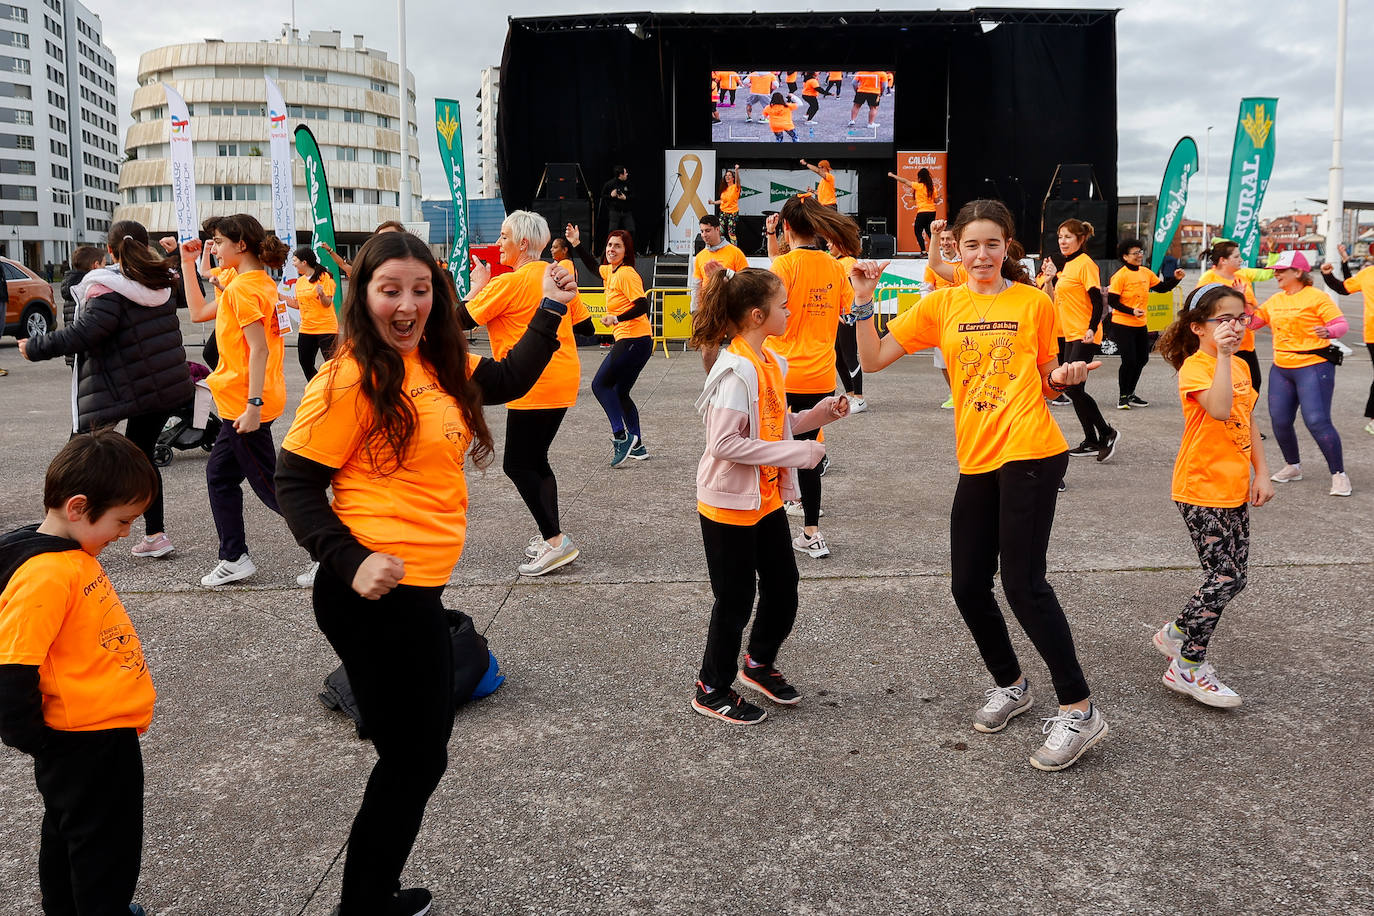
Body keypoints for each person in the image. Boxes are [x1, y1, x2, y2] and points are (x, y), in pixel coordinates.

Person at [276, 230, 572, 916]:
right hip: (373, 595)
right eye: (390, 291)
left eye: (421, 290)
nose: (406, 305)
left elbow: (511, 379)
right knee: (415, 759)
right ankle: (362, 902)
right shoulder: (350, 377)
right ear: (364, 296)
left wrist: (552, 309)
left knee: (416, 753)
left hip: (414, 592)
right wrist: (349, 560)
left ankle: (370, 893)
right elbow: (294, 481)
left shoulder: (438, 366)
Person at [856, 198, 1108, 772]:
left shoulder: (1033, 302)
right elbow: (871, 360)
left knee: (1023, 583)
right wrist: (864, 298)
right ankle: (1012, 685)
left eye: (993, 244)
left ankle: (1080, 709)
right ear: (956, 250)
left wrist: (1063, 379)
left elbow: (1046, 380)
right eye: (971, 245)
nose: (982, 254)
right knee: (968, 584)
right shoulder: (941, 305)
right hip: (977, 455)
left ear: (1007, 247)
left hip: (1032, 451)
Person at [0, 431, 160, 916]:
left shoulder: (68, 554)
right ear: (77, 507)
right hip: (83, 739)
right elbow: (12, 668)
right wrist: (41, 740)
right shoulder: (46, 573)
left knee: (71, 834)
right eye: (122, 521)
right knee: (105, 850)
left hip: (94, 733)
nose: (126, 533)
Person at [688, 265, 849, 725]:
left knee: (783, 588)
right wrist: (796, 453)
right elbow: (722, 443)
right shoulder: (736, 371)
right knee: (734, 600)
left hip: (764, 500)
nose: (790, 311)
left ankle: (757, 664)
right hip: (727, 505)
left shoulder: (770, 362)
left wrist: (819, 415)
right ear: (758, 316)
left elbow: (774, 426)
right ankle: (710, 686)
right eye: (783, 306)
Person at [20, 220, 194, 561]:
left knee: (77, 460)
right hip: (161, 385)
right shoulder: (162, 280)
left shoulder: (107, 287)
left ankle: (55, 535)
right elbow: (188, 296)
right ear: (146, 247)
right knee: (142, 457)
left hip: (115, 388)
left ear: (110, 251)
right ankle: (156, 535)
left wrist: (36, 347)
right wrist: (177, 259)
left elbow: (85, 333)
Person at [1152, 284, 1272, 708]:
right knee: (1224, 577)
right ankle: (1186, 665)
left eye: (1240, 318)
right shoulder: (1197, 368)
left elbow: (1247, 418)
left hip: (1234, 485)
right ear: (1198, 327)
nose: (1235, 327)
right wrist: (1221, 357)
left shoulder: (1239, 366)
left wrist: (1263, 473)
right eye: (1223, 319)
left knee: (1234, 576)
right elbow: (1219, 409)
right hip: (1201, 487)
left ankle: (1176, 632)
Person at [462, 211, 594, 577]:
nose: (497, 244)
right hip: (563, 375)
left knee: (518, 464)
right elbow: (587, 325)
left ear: (522, 243)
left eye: (503, 236)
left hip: (531, 379)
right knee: (535, 460)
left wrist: (477, 287)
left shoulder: (508, 283)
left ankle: (555, 540)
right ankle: (550, 536)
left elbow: (456, 321)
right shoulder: (556, 274)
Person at [178, 214, 292, 586]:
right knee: (220, 476)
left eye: (220, 241)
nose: (216, 247)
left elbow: (257, 350)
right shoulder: (254, 282)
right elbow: (197, 313)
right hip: (244, 401)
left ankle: (332, 551)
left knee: (273, 488)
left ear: (240, 245)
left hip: (247, 404)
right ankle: (234, 556)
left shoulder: (244, 289)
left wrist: (253, 407)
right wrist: (187, 263)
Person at [763, 194, 859, 558]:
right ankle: (811, 532)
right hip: (820, 375)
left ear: (785, 227)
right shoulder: (835, 267)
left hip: (783, 373)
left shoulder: (782, 266)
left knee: (771, 449)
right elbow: (848, 312)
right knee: (810, 453)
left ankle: (770, 524)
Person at [1250, 250, 1351, 497]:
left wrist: (1330, 331)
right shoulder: (1275, 300)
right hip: (1282, 368)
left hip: (1313, 365)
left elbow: (1341, 324)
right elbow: (1253, 322)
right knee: (1280, 421)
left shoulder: (1316, 297)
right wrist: (1241, 305)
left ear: (1298, 272)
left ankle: (1339, 475)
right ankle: (1293, 466)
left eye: (1282, 271)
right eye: (1276, 271)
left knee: (1316, 420)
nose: (1277, 275)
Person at [567, 223, 654, 467]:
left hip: (633, 339)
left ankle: (621, 437)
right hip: (637, 341)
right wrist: (576, 243)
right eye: (609, 245)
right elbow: (595, 267)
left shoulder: (626, 274)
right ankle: (637, 446)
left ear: (626, 251)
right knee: (620, 392)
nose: (611, 249)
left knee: (599, 385)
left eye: (617, 246)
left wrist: (617, 317)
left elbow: (642, 305)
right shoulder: (612, 272)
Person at [1048, 219, 1120, 461]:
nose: (1063, 241)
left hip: (1084, 334)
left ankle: (1106, 432)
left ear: (1080, 239)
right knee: (1073, 388)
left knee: (1072, 387)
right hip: (1069, 333)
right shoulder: (1067, 266)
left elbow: (1098, 300)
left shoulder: (1085, 263)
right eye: (1060, 237)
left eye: (1068, 237)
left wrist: (1092, 327)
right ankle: (1091, 439)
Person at [1107, 238, 1185, 408]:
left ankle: (1131, 393)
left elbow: (1162, 288)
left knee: (1142, 359)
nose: (1139, 256)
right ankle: (1123, 396)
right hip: (1122, 324)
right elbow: (1113, 301)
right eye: (1135, 253)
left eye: (1140, 252)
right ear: (1125, 257)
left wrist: (1176, 279)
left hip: (1140, 324)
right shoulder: (1120, 276)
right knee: (1129, 361)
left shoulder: (1146, 272)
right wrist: (1131, 311)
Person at [1194, 239, 1271, 393]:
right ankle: (1230, 416)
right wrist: (1237, 298)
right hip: (1222, 342)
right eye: (1236, 257)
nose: (1241, 260)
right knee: (1230, 386)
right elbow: (1201, 309)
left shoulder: (1242, 277)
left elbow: (1251, 307)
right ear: (1223, 260)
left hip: (1246, 341)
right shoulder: (1209, 279)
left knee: (1254, 384)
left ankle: (1244, 416)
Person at [1320, 243, 1374, 435]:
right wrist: (1327, 274)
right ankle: (1373, 419)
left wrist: (1345, 260)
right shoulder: (1368, 274)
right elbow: (1344, 287)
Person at [923, 225, 963, 408]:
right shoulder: (933, 265)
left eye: (949, 239)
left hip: (963, 317)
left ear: (957, 241)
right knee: (943, 360)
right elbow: (926, 289)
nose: (946, 243)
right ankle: (955, 393)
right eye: (943, 239)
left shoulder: (965, 264)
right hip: (942, 319)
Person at [829, 236, 867, 414]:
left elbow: (848, 291)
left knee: (849, 355)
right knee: (838, 357)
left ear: (841, 245)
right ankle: (850, 393)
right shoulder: (835, 262)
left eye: (832, 242)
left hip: (848, 315)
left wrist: (844, 312)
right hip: (839, 315)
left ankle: (859, 397)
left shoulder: (848, 262)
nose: (828, 244)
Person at [288, 245, 338, 382]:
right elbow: (297, 305)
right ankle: (319, 388)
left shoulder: (324, 277)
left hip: (326, 328)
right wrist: (280, 297)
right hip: (307, 329)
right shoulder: (300, 282)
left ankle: (334, 390)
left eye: (295, 260)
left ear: (304, 262)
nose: (293, 264)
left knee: (332, 365)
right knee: (305, 363)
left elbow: (327, 303)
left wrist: (322, 294)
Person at [58, 246, 104, 367]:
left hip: (73, 349)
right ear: (96, 265)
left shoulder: (71, 286)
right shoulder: (86, 287)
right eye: (103, 264)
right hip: (86, 351)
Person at [889, 169, 938, 254]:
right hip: (932, 211)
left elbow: (904, 181)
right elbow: (936, 201)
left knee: (917, 230)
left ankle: (923, 251)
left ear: (920, 177)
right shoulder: (932, 188)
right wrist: (939, 198)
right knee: (929, 231)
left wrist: (893, 176)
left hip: (923, 211)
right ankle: (935, 251)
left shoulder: (918, 186)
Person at [708, 164, 742, 245]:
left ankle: (734, 250)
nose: (727, 176)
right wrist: (713, 202)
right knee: (720, 232)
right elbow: (723, 201)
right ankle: (720, 248)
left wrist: (736, 171)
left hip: (732, 213)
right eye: (726, 175)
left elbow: (738, 181)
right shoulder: (724, 189)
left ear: (733, 178)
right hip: (723, 212)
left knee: (731, 232)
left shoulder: (735, 187)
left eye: (729, 175)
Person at [600, 165, 635, 243]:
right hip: (615, 211)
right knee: (612, 231)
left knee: (631, 230)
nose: (627, 174)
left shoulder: (628, 183)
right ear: (620, 175)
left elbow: (634, 195)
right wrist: (611, 196)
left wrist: (625, 198)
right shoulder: (609, 184)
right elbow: (602, 196)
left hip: (626, 211)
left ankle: (629, 249)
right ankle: (609, 249)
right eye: (625, 173)